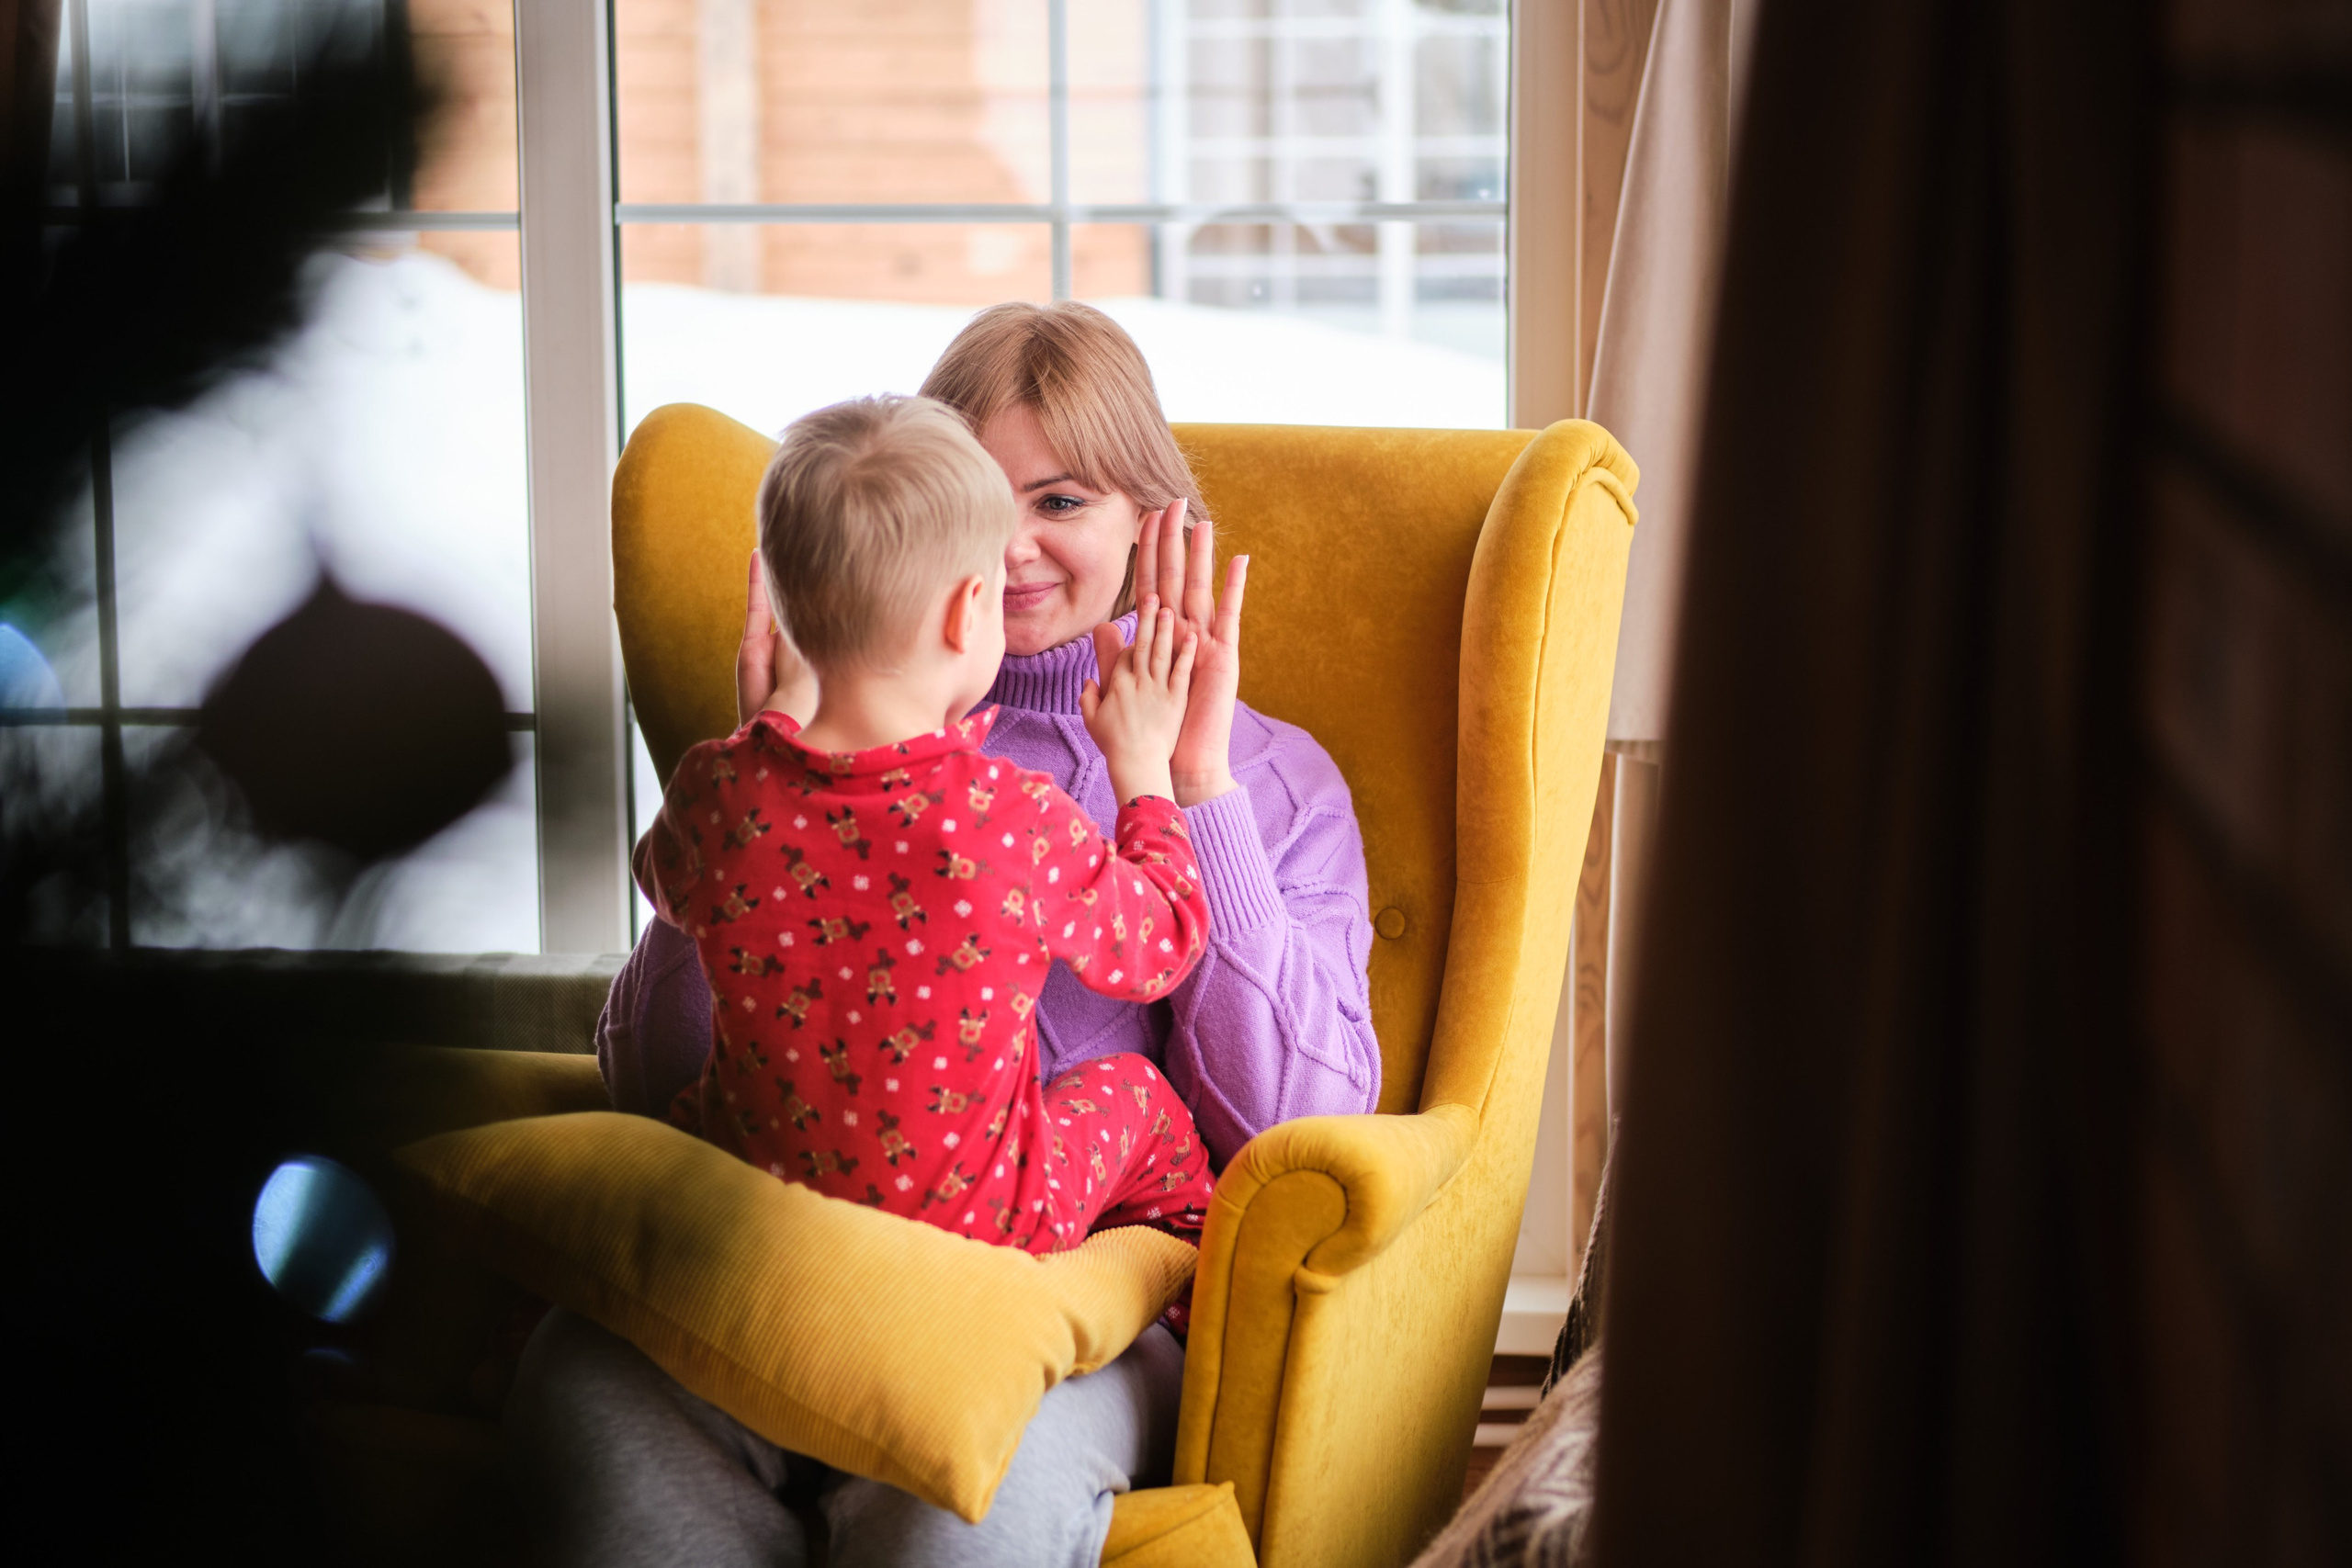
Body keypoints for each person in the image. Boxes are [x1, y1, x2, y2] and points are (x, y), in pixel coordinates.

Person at [513, 302, 1382, 1568]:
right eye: (980, 500)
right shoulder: (783, 760)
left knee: (960, 1500)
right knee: (581, 1384)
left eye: (1064, 500)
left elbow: (1298, 1131)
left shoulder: (1271, 776)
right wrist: (779, 762)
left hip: (1052, 1306)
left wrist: (1196, 789)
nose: (1015, 549)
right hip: (788, 1258)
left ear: (1150, 516)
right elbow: (649, 1083)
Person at [638, 394, 1216, 1254]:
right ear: (965, 610)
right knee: (1136, 1089)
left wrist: (757, 737)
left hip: (758, 1201)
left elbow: (666, 883)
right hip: (985, 1230)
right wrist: (1144, 774)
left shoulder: (718, 786)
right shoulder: (1012, 816)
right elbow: (1162, 942)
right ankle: (1177, 1298)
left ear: (781, 609)